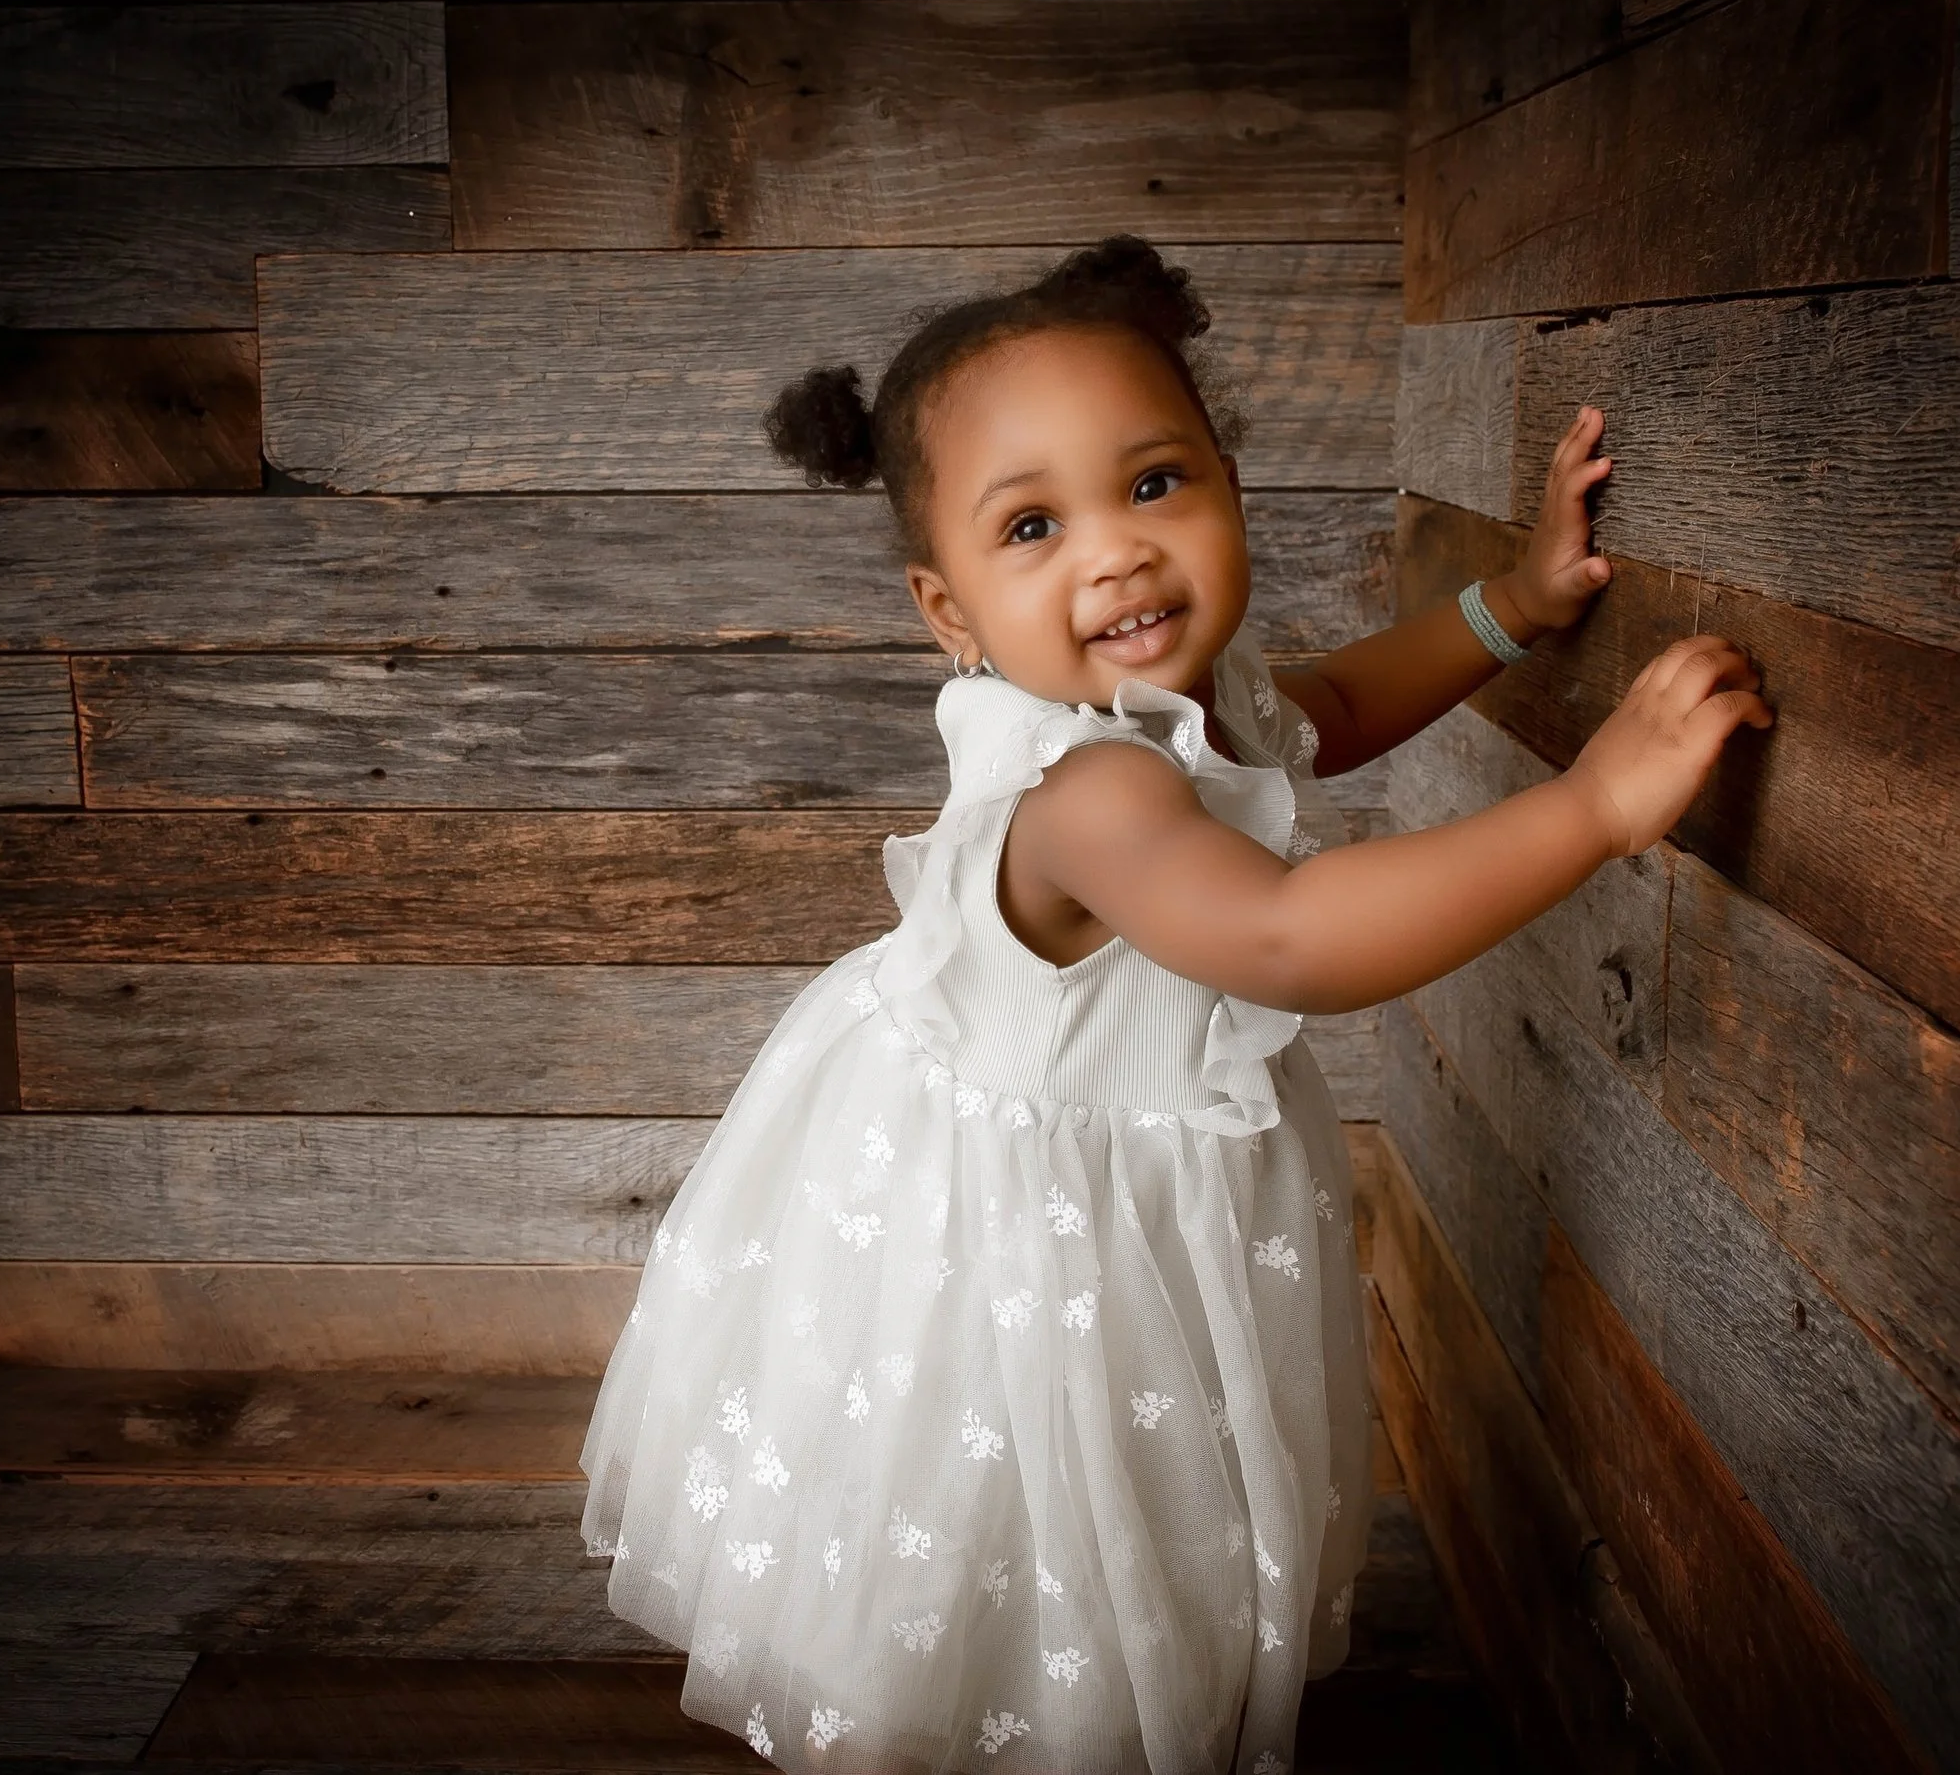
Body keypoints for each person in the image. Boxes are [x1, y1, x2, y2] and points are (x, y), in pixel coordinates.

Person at [577, 235, 1771, 1774]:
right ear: (949, 609)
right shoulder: (1087, 793)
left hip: (1120, 1191)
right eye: (1032, 524)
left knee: (1129, 1496)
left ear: (1228, 480)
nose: (1117, 550)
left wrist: (1513, 608)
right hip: (1023, 1233)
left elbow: (1330, 707)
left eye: (1155, 484)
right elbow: (1285, 938)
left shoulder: (1189, 704)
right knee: (1019, 1503)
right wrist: (1596, 805)